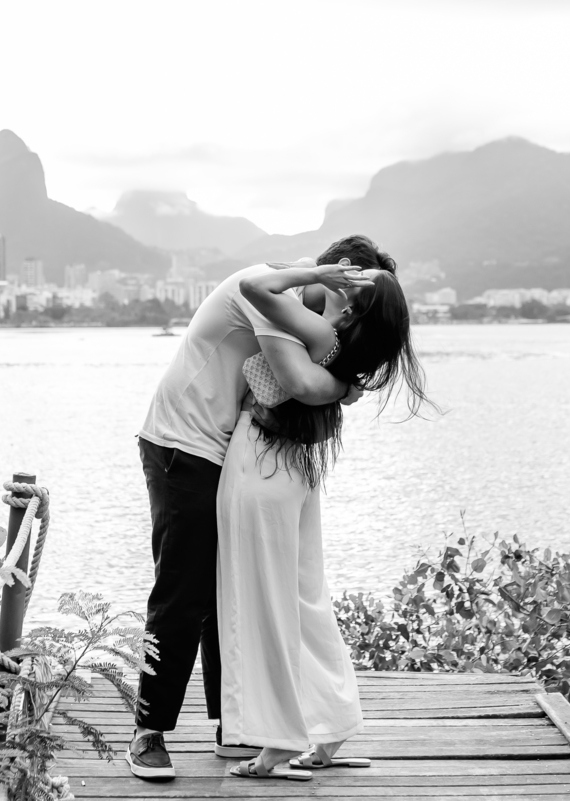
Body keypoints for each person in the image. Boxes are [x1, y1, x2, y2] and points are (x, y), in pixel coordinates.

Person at [128, 235, 397, 781]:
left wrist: (343, 381)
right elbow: (301, 383)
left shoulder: (304, 308)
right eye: (355, 292)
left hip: (224, 445)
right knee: (184, 589)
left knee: (225, 584)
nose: (354, 308)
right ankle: (148, 731)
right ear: (341, 273)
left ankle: (236, 725)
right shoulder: (277, 293)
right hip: (184, 442)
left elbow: (315, 380)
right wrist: (346, 386)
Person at [220, 258, 431, 781]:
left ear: (356, 305)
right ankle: (332, 722)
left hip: (260, 462)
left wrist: (312, 272)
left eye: (357, 279)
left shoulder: (322, 333)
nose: (345, 276)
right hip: (295, 468)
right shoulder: (347, 350)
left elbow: (253, 285)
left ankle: (276, 740)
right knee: (304, 597)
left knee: (262, 603)